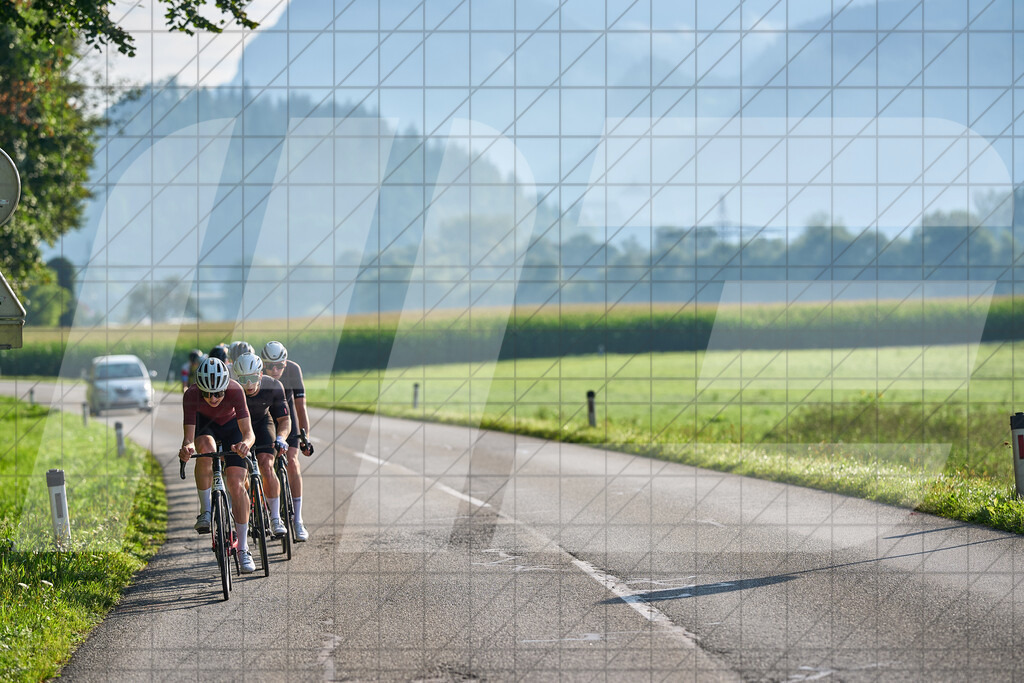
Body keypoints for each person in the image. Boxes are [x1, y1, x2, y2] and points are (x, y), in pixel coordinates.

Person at [178, 356, 258, 573]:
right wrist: (186, 449)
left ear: (226, 387)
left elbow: (249, 432)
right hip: (207, 428)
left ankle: (243, 548)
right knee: (206, 449)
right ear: (199, 389)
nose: (213, 398)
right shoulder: (191, 395)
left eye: (218, 393)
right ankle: (205, 511)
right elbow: (188, 438)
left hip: (232, 428)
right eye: (207, 393)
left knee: (236, 484)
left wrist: (245, 444)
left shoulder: (235, 390)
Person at [234, 352, 291, 537]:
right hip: (239, 428)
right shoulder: (233, 390)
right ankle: (251, 505)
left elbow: (284, 419)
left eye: (252, 377)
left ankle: (275, 517)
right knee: (240, 474)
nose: (248, 384)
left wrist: (281, 437)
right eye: (243, 379)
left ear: (260, 374)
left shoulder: (274, 385)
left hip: (262, 423)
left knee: (266, 464)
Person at [261, 340, 312, 541]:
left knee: (292, 462)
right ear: (263, 364)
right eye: (270, 366)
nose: (275, 370)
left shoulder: (293, 370)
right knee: (265, 463)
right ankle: (269, 512)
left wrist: (304, 437)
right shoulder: (257, 372)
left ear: (285, 362)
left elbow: (301, 407)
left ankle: (297, 519)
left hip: (286, 417)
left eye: (279, 365)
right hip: (266, 418)